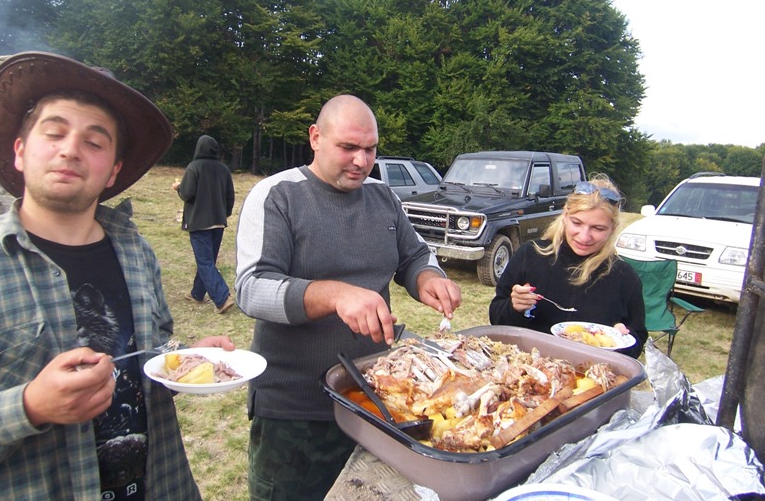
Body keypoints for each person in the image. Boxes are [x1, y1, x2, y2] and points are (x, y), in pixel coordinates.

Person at [0, 52, 235, 500]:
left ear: (112, 171)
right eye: (54, 133)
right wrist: (29, 405)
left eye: (94, 142)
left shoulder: (137, 252)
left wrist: (184, 361)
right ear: (20, 151)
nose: (70, 149)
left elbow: (143, 361)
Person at [235, 94, 462, 500]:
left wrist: (427, 277)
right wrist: (334, 295)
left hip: (379, 400)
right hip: (296, 409)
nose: (361, 160)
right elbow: (252, 288)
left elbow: (414, 255)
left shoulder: (383, 196)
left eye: (370, 149)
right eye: (348, 147)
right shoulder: (278, 195)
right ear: (315, 137)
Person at [488, 174, 647, 359]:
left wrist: (622, 340)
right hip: (527, 366)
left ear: (612, 228)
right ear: (565, 216)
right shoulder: (530, 255)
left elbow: (637, 340)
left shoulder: (624, 277)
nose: (584, 236)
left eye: (598, 228)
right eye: (577, 223)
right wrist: (514, 307)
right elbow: (496, 318)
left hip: (589, 370)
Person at [172, 135, 235, 314]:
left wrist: (178, 187)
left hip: (199, 222)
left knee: (205, 261)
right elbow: (230, 196)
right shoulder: (223, 169)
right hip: (218, 222)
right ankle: (197, 294)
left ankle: (222, 298)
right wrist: (224, 213)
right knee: (208, 261)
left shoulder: (194, 167)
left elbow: (187, 193)